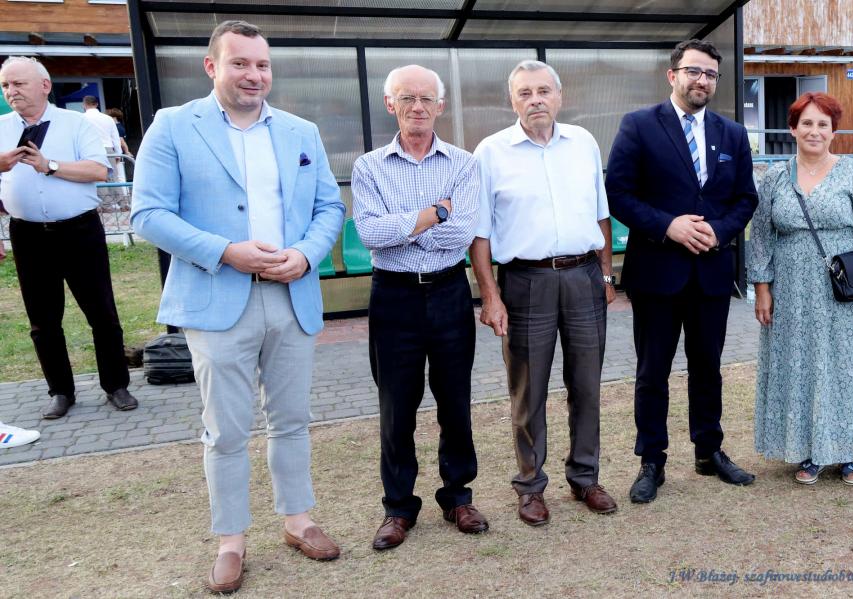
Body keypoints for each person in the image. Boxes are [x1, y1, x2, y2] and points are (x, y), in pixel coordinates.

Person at [130, 21, 345, 593]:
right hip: (216, 296)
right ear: (212, 66)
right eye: (240, 63)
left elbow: (329, 208)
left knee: (292, 419)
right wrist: (226, 251)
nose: (254, 75)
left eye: (262, 65)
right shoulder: (173, 126)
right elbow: (148, 213)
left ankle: (298, 520)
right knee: (225, 429)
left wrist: (305, 254)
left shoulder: (301, 130)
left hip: (291, 295)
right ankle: (231, 540)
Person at [605, 39, 758, 504]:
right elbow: (618, 193)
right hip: (657, 272)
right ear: (672, 75)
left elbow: (745, 198)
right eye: (694, 71)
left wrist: (720, 231)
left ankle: (708, 451)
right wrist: (667, 226)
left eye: (710, 74)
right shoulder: (639, 125)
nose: (702, 80)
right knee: (653, 371)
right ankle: (652, 460)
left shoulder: (732, 134)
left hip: (711, 272)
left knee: (708, 368)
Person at [471, 60, 618, 526]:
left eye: (543, 91)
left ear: (559, 96)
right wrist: (490, 296)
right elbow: (480, 234)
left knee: (587, 385)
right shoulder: (491, 152)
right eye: (524, 93)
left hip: (584, 278)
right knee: (528, 390)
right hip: (525, 282)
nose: (535, 100)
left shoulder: (584, 143)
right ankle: (531, 486)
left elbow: (601, 214)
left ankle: (585, 477)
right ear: (512, 101)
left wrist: (606, 275)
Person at [352, 65, 487, 551]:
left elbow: (462, 232)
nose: (417, 107)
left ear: (440, 106)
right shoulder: (369, 167)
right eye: (407, 98)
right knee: (396, 406)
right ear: (390, 104)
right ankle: (398, 508)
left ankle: (458, 497)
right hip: (394, 297)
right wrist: (436, 212)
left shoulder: (463, 163)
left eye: (427, 99)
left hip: (449, 292)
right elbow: (371, 234)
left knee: (455, 401)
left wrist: (407, 227)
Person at [748, 92, 853, 486]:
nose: (814, 131)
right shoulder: (775, 177)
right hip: (791, 290)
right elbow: (760, 237)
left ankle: (848, 451)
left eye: (823, 124)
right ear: (793, 129)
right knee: (798, 365)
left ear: (833, 131)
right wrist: (762, 289)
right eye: (807, 123)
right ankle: (807, 449)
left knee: (846, 365)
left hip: (843, 287)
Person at [0, 56, 138, 419]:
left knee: (102, 312)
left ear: (45, 86)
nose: (11, 92)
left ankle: (116, 385)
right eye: (6, 85)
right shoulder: (1, 127)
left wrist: (50, 166)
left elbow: (98, 170)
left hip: (79, 230)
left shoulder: (75, 123)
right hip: (28, 234)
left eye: (19, 84)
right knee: (42, 320)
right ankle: (60, 391)